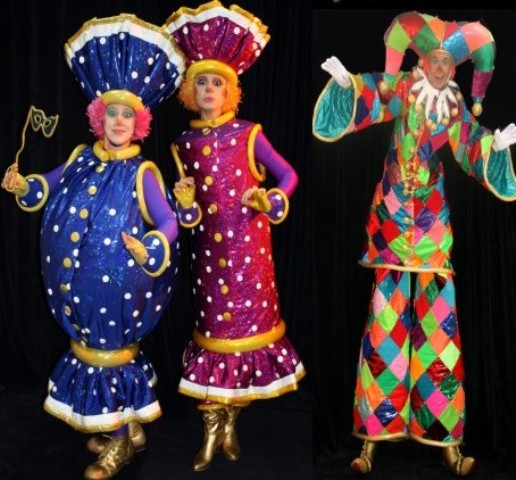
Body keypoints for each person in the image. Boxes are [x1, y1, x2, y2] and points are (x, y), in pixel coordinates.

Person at [313, 11, 516, 476]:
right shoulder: (405, 87)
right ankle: (372, 438)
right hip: (391, 222)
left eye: (449, 62)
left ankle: (445, 439)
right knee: (385, 328)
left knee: (439, 334)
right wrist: (348, 87)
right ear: (422, 61)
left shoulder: (454, 105)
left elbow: (469, 145)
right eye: (435, 59)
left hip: (433, 229)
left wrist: (495, 148)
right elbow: (376, 98)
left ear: (455, 68)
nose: (441, 68)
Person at [1, 14, 185, 480]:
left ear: (139, 123)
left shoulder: (142, 171)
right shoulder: (81, 158)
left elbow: (168, 220)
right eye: (112, 113)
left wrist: (151, 245)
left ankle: (119, 442)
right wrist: (24, 185)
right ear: (99, 117)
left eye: (127, 115)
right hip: (74, 290)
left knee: (108, 357)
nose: (118, 121)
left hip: (118, 290)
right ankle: (126, 427)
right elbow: (47, 185)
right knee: (88, 351)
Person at [162, 1, 306, 472]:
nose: (209, 89)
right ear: (190, 90)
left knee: (246, 338)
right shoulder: (183, 145)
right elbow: (185, 214)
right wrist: (185, 204)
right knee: (213, 337)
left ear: (231, 91)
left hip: (250, 253)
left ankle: (229, 424)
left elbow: (288, 175)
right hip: (208, 258)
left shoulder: (248, 133)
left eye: (217, 83)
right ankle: (212, 428)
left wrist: (269, 199)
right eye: (202, 82)